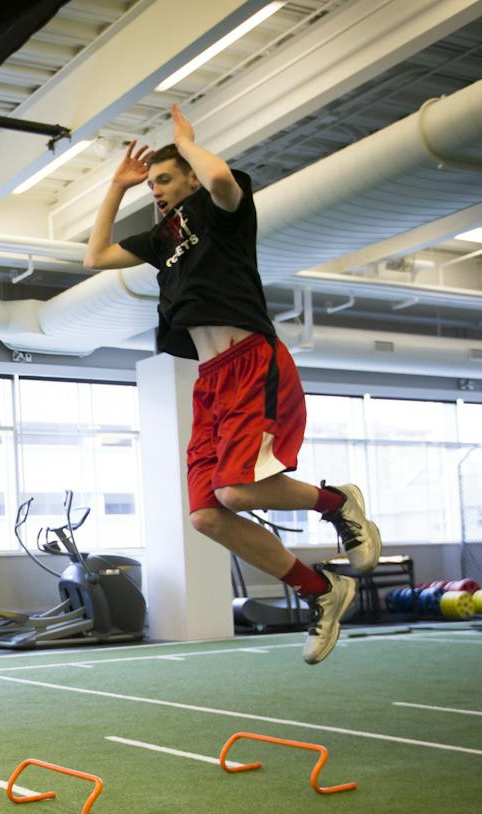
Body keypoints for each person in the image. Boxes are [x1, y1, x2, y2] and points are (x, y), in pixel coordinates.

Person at [83, 103, 381, 663]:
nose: (157, 190)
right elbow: (94, 255)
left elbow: (218, 177)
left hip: (251, 360)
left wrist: (188, 141)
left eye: (164, 179)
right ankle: (321, 590)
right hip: (209, 379)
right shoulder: (162, 239)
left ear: (190, 177)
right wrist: (119, 187)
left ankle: (336, 502)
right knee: (206, 514)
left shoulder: (223, 209)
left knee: (236, 491)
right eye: (152, 185)